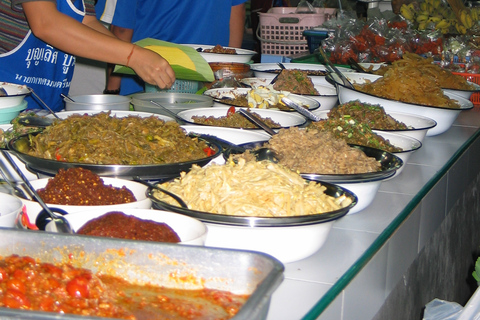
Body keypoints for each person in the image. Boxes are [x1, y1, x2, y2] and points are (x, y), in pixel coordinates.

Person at [0, 0, 175, 111]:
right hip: (6, 107)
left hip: (45, 104)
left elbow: (87, 21)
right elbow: (45, 23)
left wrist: (142, 60)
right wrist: (133, 56)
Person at [99, 0, 247, 96]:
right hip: (210, 78)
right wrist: (230, 73)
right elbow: (237, 12)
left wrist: (112, 90)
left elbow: (122, 31)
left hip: (148, 80)